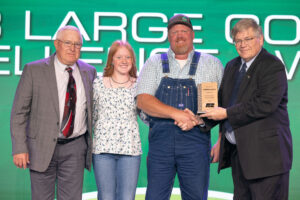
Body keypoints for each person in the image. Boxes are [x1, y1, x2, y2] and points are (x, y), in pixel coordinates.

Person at [200, 19, 293, 200]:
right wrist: (199, 117)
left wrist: (226, 113)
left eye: (248, 39)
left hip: (267, 158)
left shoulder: (272, 65)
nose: (243, 45)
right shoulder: (232, 66)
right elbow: (222, 102)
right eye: (238, 40)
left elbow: (265, 104)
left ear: (260, 39)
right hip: (241, 155)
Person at [136, 14, 223, 200]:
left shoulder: (212, 64)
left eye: (184, 31)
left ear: (192, 35)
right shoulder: (154, 62)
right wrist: (178, 114)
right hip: (161, 145)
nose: (179, 35)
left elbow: (223, 107)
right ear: (168, 37)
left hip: (196, 144)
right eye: (174, 32)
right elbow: (143, 100)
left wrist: (219, 138)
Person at [10, 25, 97, 200]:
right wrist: (19, 147)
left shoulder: (90, 72)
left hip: (75, 147)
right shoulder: (34, 70)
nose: (73, 48)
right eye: (67, 43)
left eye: (78, 44)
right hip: (40, 147)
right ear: (56, 44)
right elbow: (19, 112)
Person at [92, 40, 142, 200]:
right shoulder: (98, 84)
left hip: (130, 150)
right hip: (102, 150)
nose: (124, 61)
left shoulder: (139, 85)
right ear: (111, 60)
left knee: (127, 197)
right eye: (119, 57)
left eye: (128, 57)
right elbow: (92, 115)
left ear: (133, 61)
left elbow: (146, 114)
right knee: (106, 197)